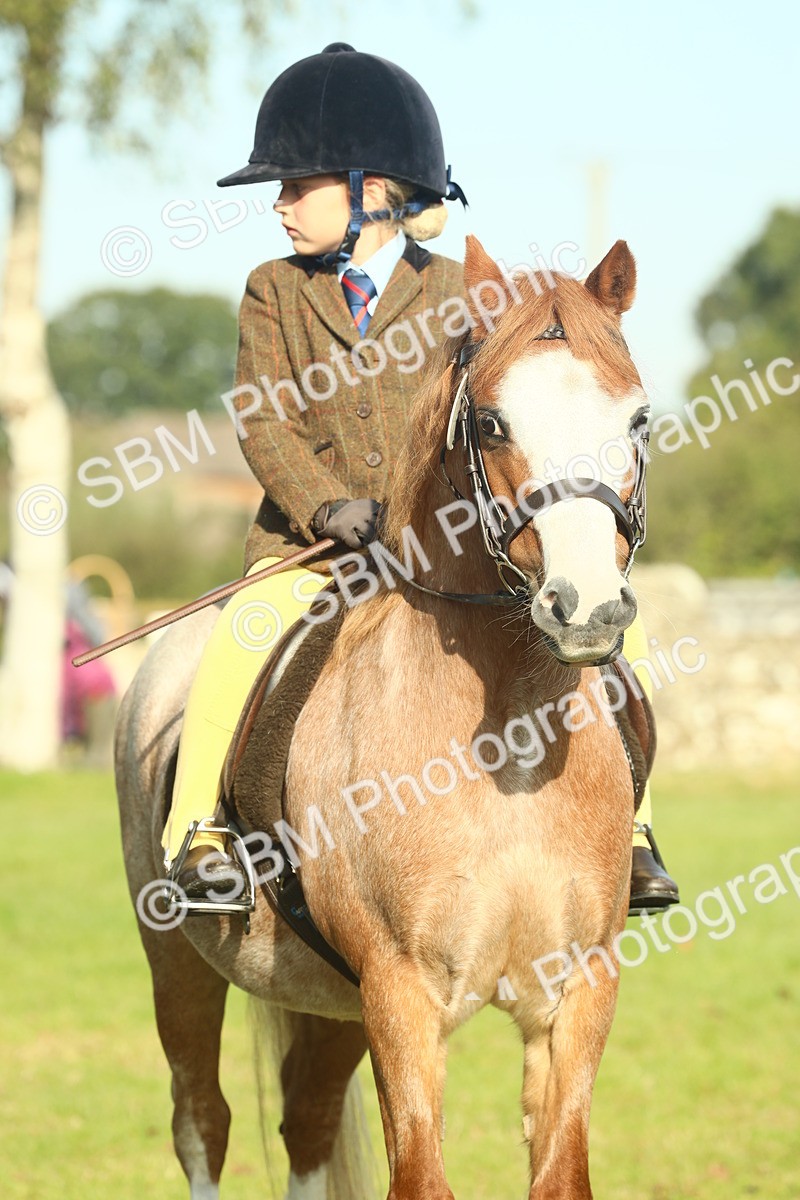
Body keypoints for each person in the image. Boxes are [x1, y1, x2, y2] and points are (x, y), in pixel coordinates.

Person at [163, 42, 679, 916]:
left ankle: (632, 831)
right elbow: (262, 418)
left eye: (297, 186)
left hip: (436, 555)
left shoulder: (462, 294)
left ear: (369, 189)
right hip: (310, 548)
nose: (281, 205)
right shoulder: (272, 292)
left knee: (599, 646)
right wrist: (327, 505)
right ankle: (199, 830)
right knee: (240, 635)